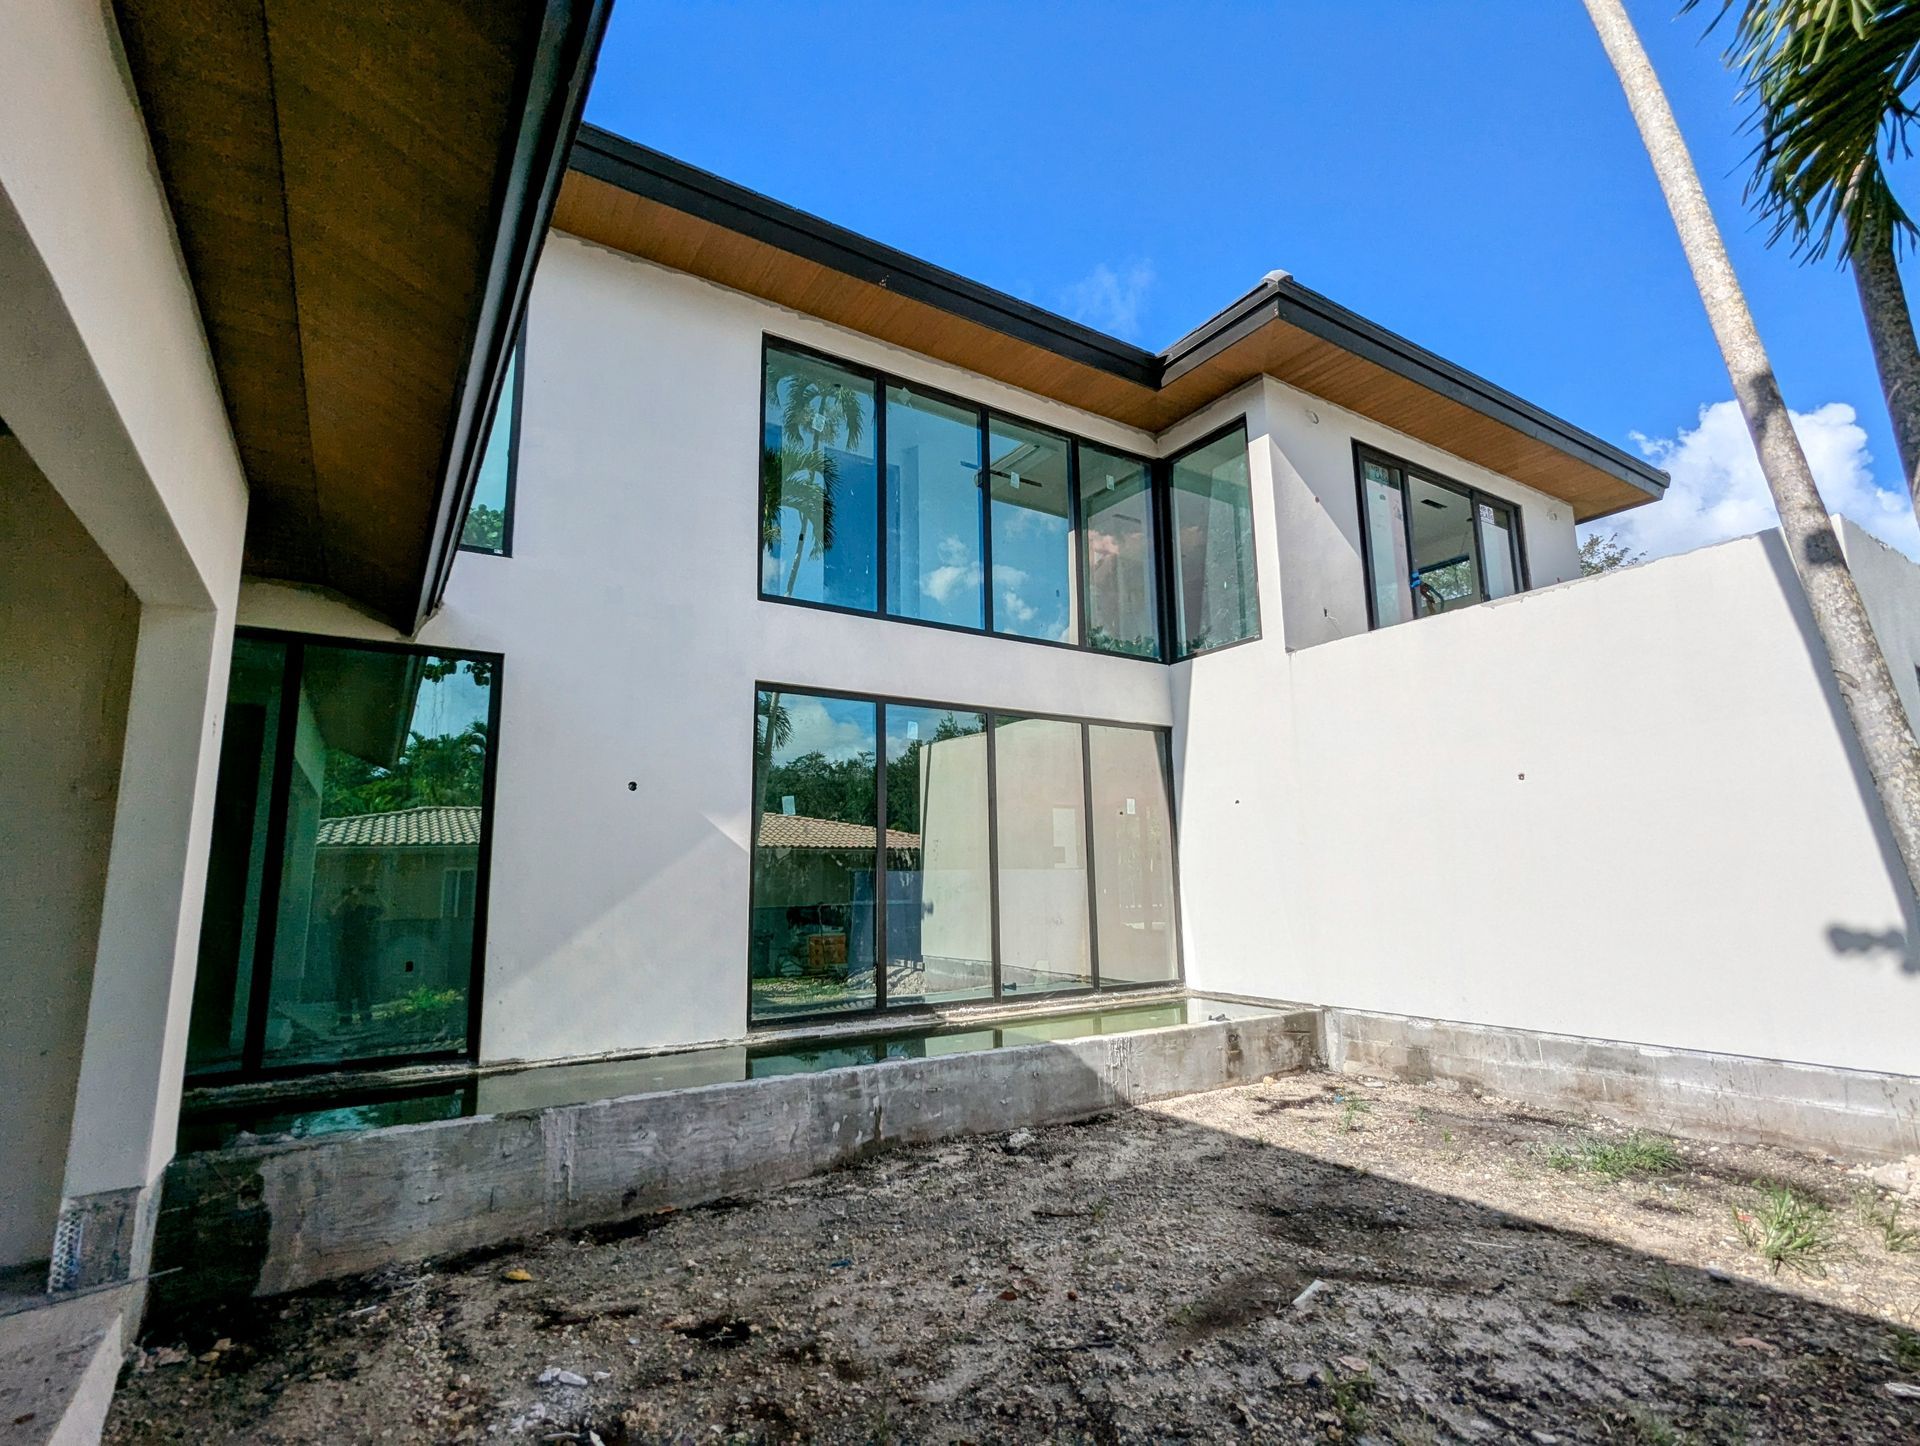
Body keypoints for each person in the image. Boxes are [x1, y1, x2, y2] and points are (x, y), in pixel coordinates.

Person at [331, 871, 381, 1029]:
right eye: (353, 896)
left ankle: (365, 1015)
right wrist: (343, 897)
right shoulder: (344, 911)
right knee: (345, 987)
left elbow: (384, 910)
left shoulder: (365, 910)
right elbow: (331, 911)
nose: (356, 898)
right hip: (346, 954)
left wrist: (374, 894)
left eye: (357, 895)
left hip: (362, 953)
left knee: (362, 986)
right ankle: (345, 1017)